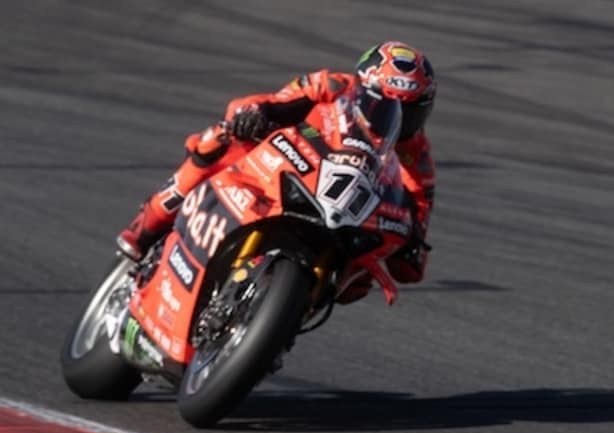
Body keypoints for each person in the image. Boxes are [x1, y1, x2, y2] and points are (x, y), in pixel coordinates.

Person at [116, 42, 437, 296]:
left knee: (360, 280)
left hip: (342, 211)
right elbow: (269, 103)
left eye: (411, 111)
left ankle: (285, 313)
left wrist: (411, 245)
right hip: (286, 170)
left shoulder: (416, 157)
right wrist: (253, 115)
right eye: (387, 106)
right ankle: (147, 225)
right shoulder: (331, 86)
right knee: (220, 140)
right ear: (362, 92)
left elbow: (415, 241)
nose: (398, 120)